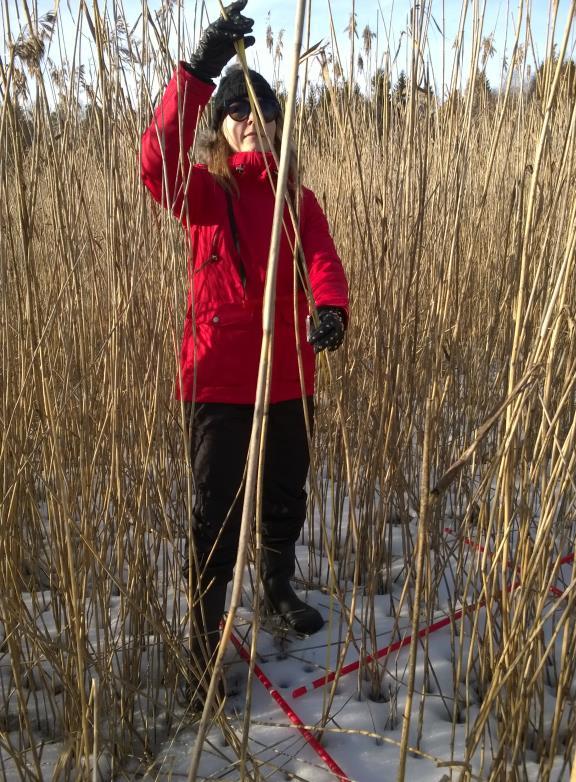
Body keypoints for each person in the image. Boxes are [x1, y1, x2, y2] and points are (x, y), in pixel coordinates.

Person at [140, 0, 348, 699]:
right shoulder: (203, 191)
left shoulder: (298, 197)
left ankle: (279, 588)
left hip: (290, 370)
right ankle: (204, 640)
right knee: (214, 511)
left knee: (287, 489)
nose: (249, 118)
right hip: (218, 377)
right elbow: (155, 165)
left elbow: (322, 259)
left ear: (277, 123)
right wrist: (199, 71)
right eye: (236, 111)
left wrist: (331, 308)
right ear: (221, 130)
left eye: (261, 108)